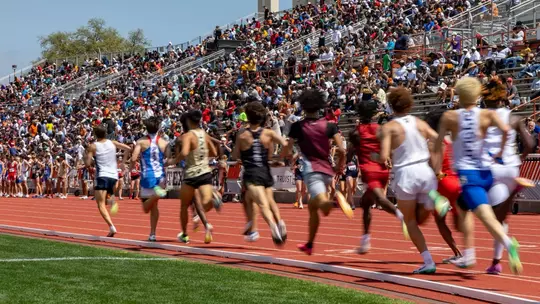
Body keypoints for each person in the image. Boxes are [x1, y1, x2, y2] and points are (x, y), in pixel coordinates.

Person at [434, 77, 522, 274]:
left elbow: (439, 146)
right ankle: (469, 254)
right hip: (486, 172)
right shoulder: (485, 114)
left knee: (486, 216)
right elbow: (507, 131)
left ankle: (508, 244)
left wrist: (438, 171)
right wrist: (499, 153)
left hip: (468, 174)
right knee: (463, 206)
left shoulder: (449, 116)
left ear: (458, 93)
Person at [379, 87, 450, 274]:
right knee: (420, 216)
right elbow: (441, 140)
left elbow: (384, 155)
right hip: (425, 171)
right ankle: (434, 199)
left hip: (405, 173)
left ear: (391, 107)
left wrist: (381, 156)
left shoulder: (389, 128)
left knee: (410, 222)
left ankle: (428, 261)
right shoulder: (419, 122)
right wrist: (438, 168)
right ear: (409, 104)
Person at [284, 89, 353, 255]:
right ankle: (309, 244)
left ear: (303, 106)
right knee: (313, 208)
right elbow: (343, 150)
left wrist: (282, 157)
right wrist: (339, 166)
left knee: (325, 206)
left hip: (311, 169)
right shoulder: (330, 126)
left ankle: (336, 199)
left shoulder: (297, 126)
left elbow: (287, 148)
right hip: (327, 169)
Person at [480, 79, 534, 274]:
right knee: (501, 218)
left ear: (486, 99)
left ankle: (508, 245)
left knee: (492, 217)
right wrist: (520, 158)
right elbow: (530, 143)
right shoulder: (514, 118)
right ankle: (495, 262)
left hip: (492, 168)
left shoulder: (482, 116)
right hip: (512, 167)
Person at [349, 99, 407, 254]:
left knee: (381, 199)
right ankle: (365, 241)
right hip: (383, 170)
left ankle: (401, 216)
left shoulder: (356, 132)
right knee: (366, 203)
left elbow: (350, 152)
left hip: (369, 169)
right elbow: (389, 148)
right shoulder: (381, 129)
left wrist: (340, 167)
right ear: (374, 114)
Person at [233, 101, 289, 245]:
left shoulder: (242, 135)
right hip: (265, 171)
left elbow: (234, 155)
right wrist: (282, 157)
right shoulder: (268, 133)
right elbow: (286, 144)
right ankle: (280, 222)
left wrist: (242, 157)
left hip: (252, 173)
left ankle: (272, 227)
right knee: (270, 201)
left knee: (261, 204)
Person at [176, 110, 219, 244]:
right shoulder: (203, 134)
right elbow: (214, 151)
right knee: (201, 203)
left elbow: (182, 153)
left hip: (190, 174)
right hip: (205, 171)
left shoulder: (184, 137)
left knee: (185, 205)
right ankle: (206, 224)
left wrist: (172, 160)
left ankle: (185, 234)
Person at [426, 111, 462, 263]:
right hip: (456, 180)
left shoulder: (432, 142)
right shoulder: (449, 140)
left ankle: (457, 253)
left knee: (440, 221)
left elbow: (435, 168)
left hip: (442, 183)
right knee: (462, 220)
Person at [85, 125, 132, 237]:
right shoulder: (113, 143)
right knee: (106, 199)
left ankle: (112, 227)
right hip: (114, 176)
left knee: (100, 204)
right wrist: (123, 162)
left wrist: (87, 157)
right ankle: (112, 201)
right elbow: (129, 149)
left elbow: (87, 164)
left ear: (95, 135)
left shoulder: (93, 146)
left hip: (102, 175)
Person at [130, 117, 170, 242]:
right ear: (158, 128)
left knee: (146, 208)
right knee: (154, 207)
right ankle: (152, 233)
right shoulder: (164, 142)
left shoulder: (141, 142)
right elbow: (168, 159)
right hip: (160, 176)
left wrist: (131, 167)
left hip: (147, 176)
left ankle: (152, 233)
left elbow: (133, 158)